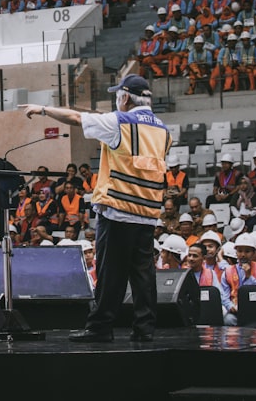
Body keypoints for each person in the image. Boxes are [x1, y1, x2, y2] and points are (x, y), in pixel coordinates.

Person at [21, 74, 170, 342]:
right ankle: (145, 329)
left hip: (119, 208)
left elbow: (77, 119)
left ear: (125, 98)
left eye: (117, 96)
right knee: (143, 274)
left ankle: (100, 327)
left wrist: (43, 109)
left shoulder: (120, 122)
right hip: (148, 213)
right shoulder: (163, 129)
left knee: (110, 272)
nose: (116, 101)